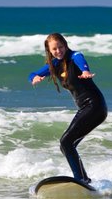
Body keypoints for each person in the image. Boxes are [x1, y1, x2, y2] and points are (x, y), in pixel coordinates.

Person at [29, 33, 107, 183]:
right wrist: (34, 78)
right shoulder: (55, 64)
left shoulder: (74, 56)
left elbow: (80, 59)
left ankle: (81, 180)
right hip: (87, 108)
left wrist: (85, 71)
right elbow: (33, 73)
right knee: (67, 146)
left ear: (65, 45)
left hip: (94, 106)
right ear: (49, 51)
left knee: (66, 142)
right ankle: (84, 180)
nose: (58, 51)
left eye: (60, 47)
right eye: (54, 49)